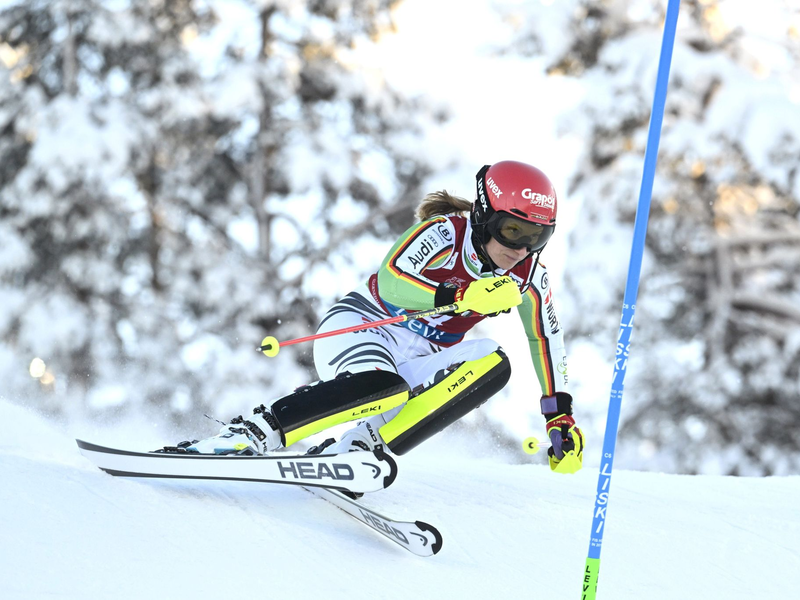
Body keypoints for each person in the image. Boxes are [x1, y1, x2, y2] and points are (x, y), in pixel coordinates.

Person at [181, 160, 584, 476]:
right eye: (514, 231)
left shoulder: (529, 275)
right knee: (384, 387)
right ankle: (253, 432)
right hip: (364, 327)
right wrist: (458, 294)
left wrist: (559, 414)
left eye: (538, 237)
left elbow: (546, 339)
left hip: (419, 359)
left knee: (494, 362)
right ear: (485, 215)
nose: (521, 249)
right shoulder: (445, 234)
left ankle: (360, 449)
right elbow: (392, 280)